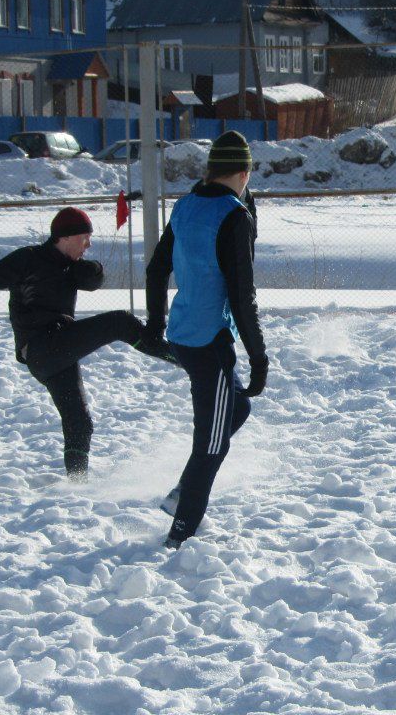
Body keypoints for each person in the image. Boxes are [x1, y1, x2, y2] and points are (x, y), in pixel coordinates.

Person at [0, 207, 172, 481]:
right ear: (66, 237)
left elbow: (93, 280)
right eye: (85, 238)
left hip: (58, 352)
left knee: (80, 423)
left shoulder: (71, 267)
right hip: (41, 346)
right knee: (119, 322)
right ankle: (181, 357)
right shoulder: (28, 258)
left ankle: (77, 484)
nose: (88, 245)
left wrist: (94, 270)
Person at [144, 130, 267, 549]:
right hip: (209, 344)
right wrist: (259, 358)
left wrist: (156, 322)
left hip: (184, 333)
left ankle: (182, 493)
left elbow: (156, 270)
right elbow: (242, 296)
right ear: (244, 173)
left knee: (238, 407)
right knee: (211, 446)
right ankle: (179, 537)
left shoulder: (187, 204)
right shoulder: (233, 216)